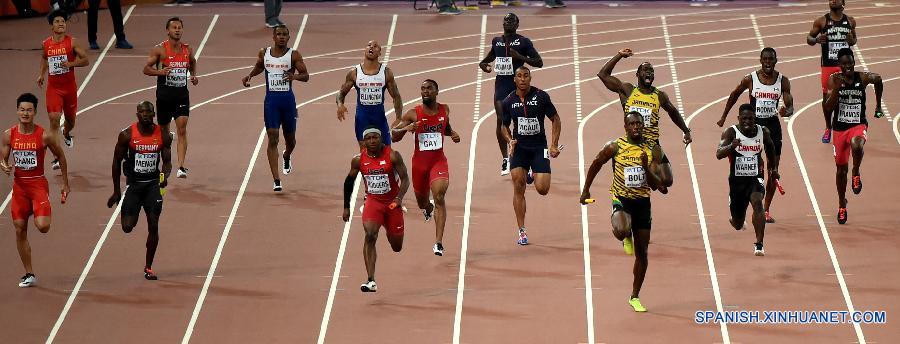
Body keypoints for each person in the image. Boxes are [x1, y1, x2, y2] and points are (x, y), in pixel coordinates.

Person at [580, 111, 663, 312]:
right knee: (623, 230)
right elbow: (596, 163)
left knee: (642, 253)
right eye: (631, 124)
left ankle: (635, 296)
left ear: (643, 126)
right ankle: (624, 234)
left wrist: (645, 166)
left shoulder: (653, 149)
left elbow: (656, 185)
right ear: (625, 127)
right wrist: (586, 189)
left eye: (638, 124)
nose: (635, 127)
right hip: (622, 199)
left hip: (643, 202)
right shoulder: (615, 147)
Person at [597, 48, 692, 194]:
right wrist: (619, 56)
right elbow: (603, 75)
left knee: (667, 181)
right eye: (645, 70)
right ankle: (641, 180)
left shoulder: (660, 95)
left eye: (652, 71)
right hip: (632, 143)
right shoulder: (627, 90)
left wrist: (686, 130)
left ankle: (651, 178)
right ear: (637, 74)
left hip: (653, 143)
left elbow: (673, 112)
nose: (649, 72)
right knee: (637, 180)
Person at [1, 93, 70, 288]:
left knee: (43, 227)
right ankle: (29, 273)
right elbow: (3, 158)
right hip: (20, 187)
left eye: (29, 110)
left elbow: (61, 157)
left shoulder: (44, 135)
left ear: (35, 112)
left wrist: (65, 183)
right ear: (17, 111)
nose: (25, 113)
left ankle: (38, 208)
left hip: (38, 185)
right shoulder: (9, 134)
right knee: (19, 229)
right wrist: (4, 165)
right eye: (22, 109)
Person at [717, 47, 794, 223]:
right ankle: (741, 198)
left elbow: (791, 106)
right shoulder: (750, 79)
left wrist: (787, 111)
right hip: (752, 128)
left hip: (772, 127)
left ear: (776, 61)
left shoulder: (783, 81)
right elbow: (734, 94)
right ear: (760, 60)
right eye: (765, 59)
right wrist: (723, 115)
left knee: (773, 170)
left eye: (771, 59)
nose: (768, 62)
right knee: (750, 166)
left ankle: (765, 209)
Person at [392, 79, 461, 256]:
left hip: (438, 161)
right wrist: (407, 127)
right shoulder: (413, 113)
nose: (425, 91)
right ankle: (428, 209)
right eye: (423, 89)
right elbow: (393, 136)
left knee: (439, 195)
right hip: (419, 165)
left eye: (429, 88)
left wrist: (451, 133)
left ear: (437, 91)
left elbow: (444, 126)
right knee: (423, 202)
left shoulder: (445, 109)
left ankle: (438, 243)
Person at [107, 101, 173, 280]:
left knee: (153, 224)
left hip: (153, 185)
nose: (145, 115)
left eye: (148, 112)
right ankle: (130, 212)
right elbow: (116, 162)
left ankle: (148, 267)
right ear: (137, 114)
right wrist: (116, 190)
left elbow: (166, 162)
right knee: (127, 227)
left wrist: (163, 178)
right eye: (142, 112)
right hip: (134, 185)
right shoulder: (126, 135)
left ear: (153, 115)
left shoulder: (164, 135)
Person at [242, 24, 309, 192]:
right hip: (271, 102)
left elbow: (306, 75)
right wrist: (250, 75)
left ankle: (286, 155)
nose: (281, 37)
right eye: (278, 34)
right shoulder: (264, 53)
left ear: (288, 37)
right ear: (273, 37)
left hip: (288, 102)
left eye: (284, 34)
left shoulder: (294, 55)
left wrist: (294, 76)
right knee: (272, 137)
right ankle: (276, 179)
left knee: (291, 140)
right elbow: (259, 66)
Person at [342, 127, 410, 292]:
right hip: (373, 202)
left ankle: (388, 226)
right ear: (364, 142)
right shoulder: (358, 160)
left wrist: (399, 199)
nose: (372, 141)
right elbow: (348, 182)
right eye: (368, 138)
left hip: (392, 203)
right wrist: (346, 206)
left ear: (381, 139)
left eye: (375, 138)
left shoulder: (393, 155)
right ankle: (370, 280)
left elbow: (405, 179)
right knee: (370, 234)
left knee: (396, 246)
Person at [501, 66, 561, 245]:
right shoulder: (508, 101)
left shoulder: (542, 96)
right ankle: (522, 231)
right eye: (519, 76)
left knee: (542, 189)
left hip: (538, 147)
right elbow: (504, 126)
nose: (522, 79)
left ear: (530, 78)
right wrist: (510, 140)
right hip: (519, 148)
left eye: (525, 76)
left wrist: (554, 144)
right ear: (514, 79)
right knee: (518, 186)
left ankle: (532, 173)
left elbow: (555, 119)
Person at [823, 48, 883, 225]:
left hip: (857, 125)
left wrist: (878, 106)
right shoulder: (833, 80)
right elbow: (827, 107)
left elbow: (878, 79)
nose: (848, 66)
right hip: (840, 129)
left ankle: (856, 171)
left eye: (850, 62)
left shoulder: (862, 78)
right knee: (841, 171)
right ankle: (842, 204)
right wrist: (837, 89)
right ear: (839, 65)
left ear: (853, 62)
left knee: (857, 146)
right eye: (844, 63)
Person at [479, 13, 543, 176]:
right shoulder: (497, 41)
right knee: (502, 121)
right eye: (506, 20)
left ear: (517, 24)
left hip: (519, 88)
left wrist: (520, 57)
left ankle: (525, 160)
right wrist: (483, 64)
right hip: (501, 88)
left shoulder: (523, 41)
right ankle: (506, 158)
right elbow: (489, 57)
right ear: (502, 23)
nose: (508, 22)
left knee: (522, 120)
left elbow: (539, 62)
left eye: (512, 20)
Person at [716, 104, 778, 256]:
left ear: (754, 118)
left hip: (755, 178)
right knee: (737, 224)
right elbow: (718, 153)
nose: (747, 122)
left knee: (757, 202)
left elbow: (771, 150)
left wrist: (774, 169)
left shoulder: (763, 132)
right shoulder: (731, 132)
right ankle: (735, 212)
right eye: (744, 118)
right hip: (737, 182)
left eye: (750, 118)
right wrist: (732, 146)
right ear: (739, 119)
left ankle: (759, 244)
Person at [143, 17, 198, 179]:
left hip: (181, 95)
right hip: (164, 96)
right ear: (168, 31)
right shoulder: (160, 50)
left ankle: (181, 166)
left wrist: (193, 75)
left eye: (180, 27)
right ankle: (165, 163)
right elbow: (146, 69)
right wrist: (160, 72)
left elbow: (193, 62)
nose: (177, 30)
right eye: (174, 27)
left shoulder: (187, 49)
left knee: (182, 129)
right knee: (165, 135)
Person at [38, 9, 89, 170]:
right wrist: (41, 75)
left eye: (63, 21)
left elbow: (86, 60)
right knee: (53, 120)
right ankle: (57, 157)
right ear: (51, 26)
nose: (61, 24)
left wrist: (71, 64)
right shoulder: (46, 44)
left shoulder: (72, 42)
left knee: (70, 121)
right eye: (57, 21)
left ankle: (66, 133)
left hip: (69, 89)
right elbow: (45, 59)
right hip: (54, 89)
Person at [336, 41, 403, 147]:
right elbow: (341, 93)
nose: (371, 47)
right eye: (369, 45)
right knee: (364, 151)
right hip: (362, 117)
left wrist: (399, 117)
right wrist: (340, 105)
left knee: (386, 150)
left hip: (379, 117)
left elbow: (396, 96)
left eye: (375, 46)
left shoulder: (386, 73)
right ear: (365, 50)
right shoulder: (354, 73)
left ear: (379, 53)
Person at [807, 0, 856, 144]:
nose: (833, 0)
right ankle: (828, 127)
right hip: (828, 65)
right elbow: (808, 38)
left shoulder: (850, 21)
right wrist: (816, 39)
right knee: (827, 98)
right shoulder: (821, 21)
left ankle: (846, 126)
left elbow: (854, 40)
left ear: (843, 3)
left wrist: (851, 40)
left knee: (847, 95)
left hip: (846, 65)